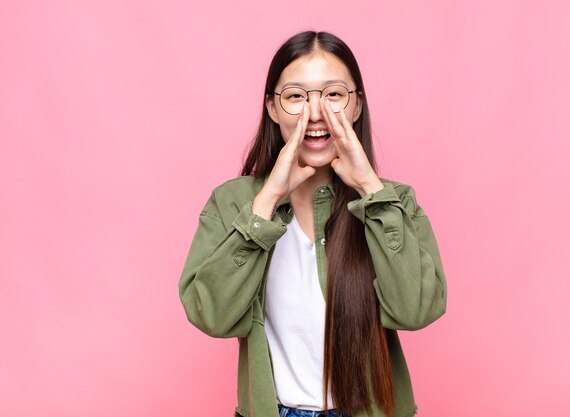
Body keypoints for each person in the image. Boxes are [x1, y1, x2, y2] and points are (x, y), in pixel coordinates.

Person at [178, 31, 447, 417]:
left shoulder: (394, 202)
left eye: (333, 94)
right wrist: (266, 202)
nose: (315, 113)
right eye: (296, 97)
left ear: (357, 106)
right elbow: (212, 316)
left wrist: (371, 190)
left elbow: (416, 311)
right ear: (272, 108)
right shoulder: (234, 202)